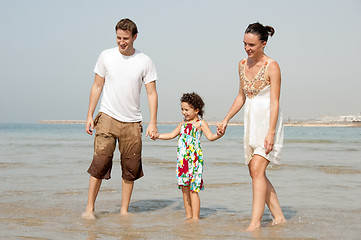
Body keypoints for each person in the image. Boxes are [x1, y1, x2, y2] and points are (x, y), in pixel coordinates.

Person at [82, 18, 159, 220]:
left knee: (130, 169)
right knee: (99, 164)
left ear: (134, 37)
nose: (121, 42)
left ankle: (124, 212)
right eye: (118, 38)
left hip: (133, 122)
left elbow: (152, 93)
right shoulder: (105, 56)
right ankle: (89, 209)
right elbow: (97, 86)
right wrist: (90, 115)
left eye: (126, 38)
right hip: (107, 117)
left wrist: (153, 122)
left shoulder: (145, 61)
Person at [217, 22, 286, 231]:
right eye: (245, 44)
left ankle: (254, 224)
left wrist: (271, 132)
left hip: (268, 123)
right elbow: (241, 97)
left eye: (252, 45)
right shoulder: (241, 65)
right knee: (255, 172)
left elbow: (275, 102)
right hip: (251, 123)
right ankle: (279, 217)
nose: (247, 48)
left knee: (257, 169)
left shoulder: (272, 66)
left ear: (263, 44)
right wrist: (226, 118)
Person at [154, 92, 223, 220]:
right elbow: (170, 135)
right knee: (184, 190)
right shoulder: (182, 124)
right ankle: (188, 216)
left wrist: (220, 134)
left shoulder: (200, 124)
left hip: (194, 161)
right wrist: (157, 136)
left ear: (196, 110)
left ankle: (195, 218)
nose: (184, 112)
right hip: (182, 161)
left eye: (187, 109)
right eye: (182, 109)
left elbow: (211, 137)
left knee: (193, 189)